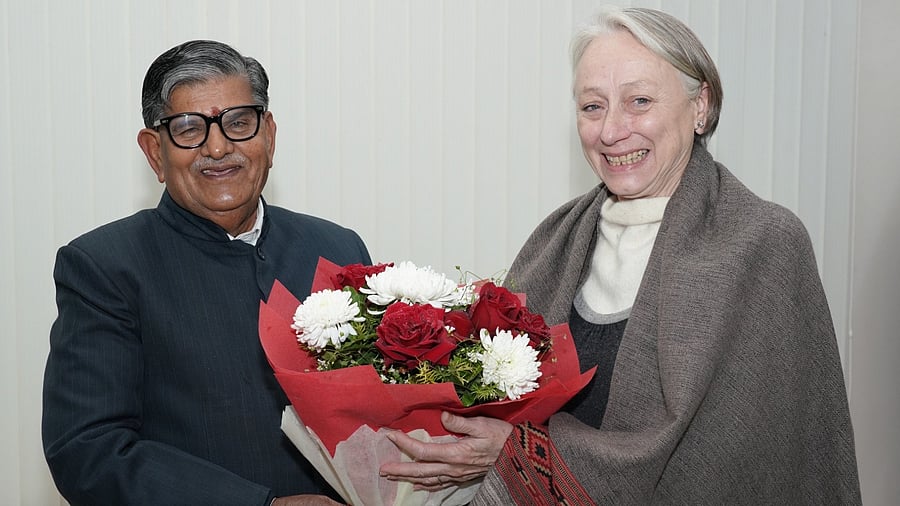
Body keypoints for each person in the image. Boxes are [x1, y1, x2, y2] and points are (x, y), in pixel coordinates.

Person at [379, 6, 862, 504]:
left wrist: (520, 453)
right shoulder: (553, 242)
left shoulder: (763, 244)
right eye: (592, 106)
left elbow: (749, 461)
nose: (611, 131)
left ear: (701, 106)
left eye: (639, 101)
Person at [42, 40, 368, 505]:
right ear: (155, 153)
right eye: (189, 128)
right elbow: (88, 452)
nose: (218, 147)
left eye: (239, 122)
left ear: (269, 137)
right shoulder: (103, 267)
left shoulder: (336, 248)